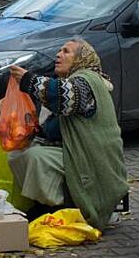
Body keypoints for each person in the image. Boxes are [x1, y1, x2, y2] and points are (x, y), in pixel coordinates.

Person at [7, 39, 128, 230]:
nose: (58, 55)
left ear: (81, 59)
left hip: (93, 160)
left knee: (36, 157)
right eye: (59, 50)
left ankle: (59, 206)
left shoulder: (87, 81)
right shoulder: (75, 80)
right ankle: (46, 202)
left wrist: (28, 80)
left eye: (66, 51)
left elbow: (65, 96)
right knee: (17, 153)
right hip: (76, 152)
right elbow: (57, 128)